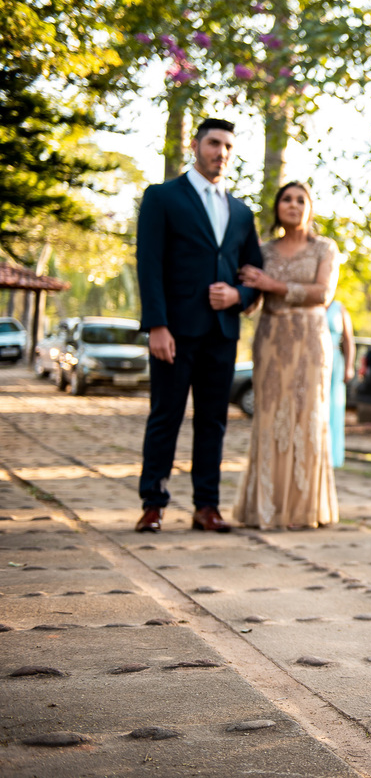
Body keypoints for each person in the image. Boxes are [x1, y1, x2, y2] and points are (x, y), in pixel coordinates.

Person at [134, 118, 263, 534]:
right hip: (174, 331)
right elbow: (149, 264)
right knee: (165, 417)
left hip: (222, 334)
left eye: (227, 145)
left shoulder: (241, 211)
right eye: (213, 143)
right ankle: (153, 504)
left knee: (213, 422)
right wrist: (156, 324)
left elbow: (253, 272)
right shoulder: (162, 197)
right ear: (195, 144)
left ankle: (206, 507)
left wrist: (238, 298)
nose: (220, 152)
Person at [232, 181, 340, 530]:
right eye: (286, 200)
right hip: (271, 339)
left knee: (306, 416)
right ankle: (266, 506)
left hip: (309, 340)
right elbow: (252, 299)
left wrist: (273, 285)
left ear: (310, 207)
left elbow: (322, 294)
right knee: (270, 417)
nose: (293, 205)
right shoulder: (263, 251)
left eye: (300, 200)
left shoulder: (325, 248)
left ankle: (303, 509)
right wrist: (240, 294)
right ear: (277, 207)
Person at [326, 299, 355, 469]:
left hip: (335, 361)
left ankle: (333, 455)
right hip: (313, 360)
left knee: (333, 407)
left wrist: (349, 367)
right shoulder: (312, 304)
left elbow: (348, 339)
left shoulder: (339, 308)